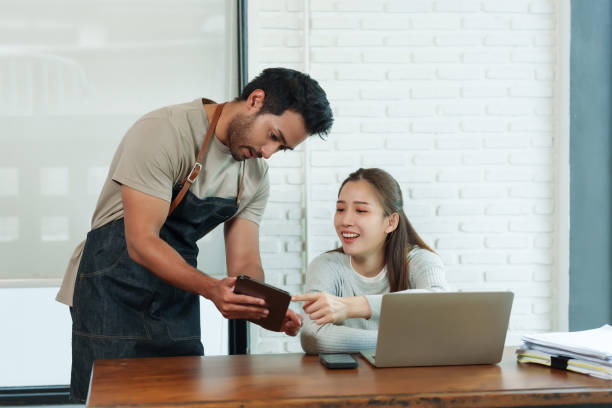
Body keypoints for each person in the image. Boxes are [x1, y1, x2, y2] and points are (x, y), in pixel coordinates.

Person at [55, 67, 333, 401]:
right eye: (273, 136)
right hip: (112, 289)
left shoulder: (255, 175)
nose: (269, 153)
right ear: (255, 100)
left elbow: (244, 260)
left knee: (183, 400)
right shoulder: (164, 132)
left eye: (283, 148)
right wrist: (211, 288)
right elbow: (141, 242)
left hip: (176, 296)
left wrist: (261, 306)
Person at [293, 168, 449, 354]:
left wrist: (353, 306)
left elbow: (439, 303)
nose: (346, 220)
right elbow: (314, 337)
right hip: (346, 380)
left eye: (361, 210)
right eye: (340, 209)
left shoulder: (420, 260)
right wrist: (407, 342)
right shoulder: (326, 266)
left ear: (390, 222)